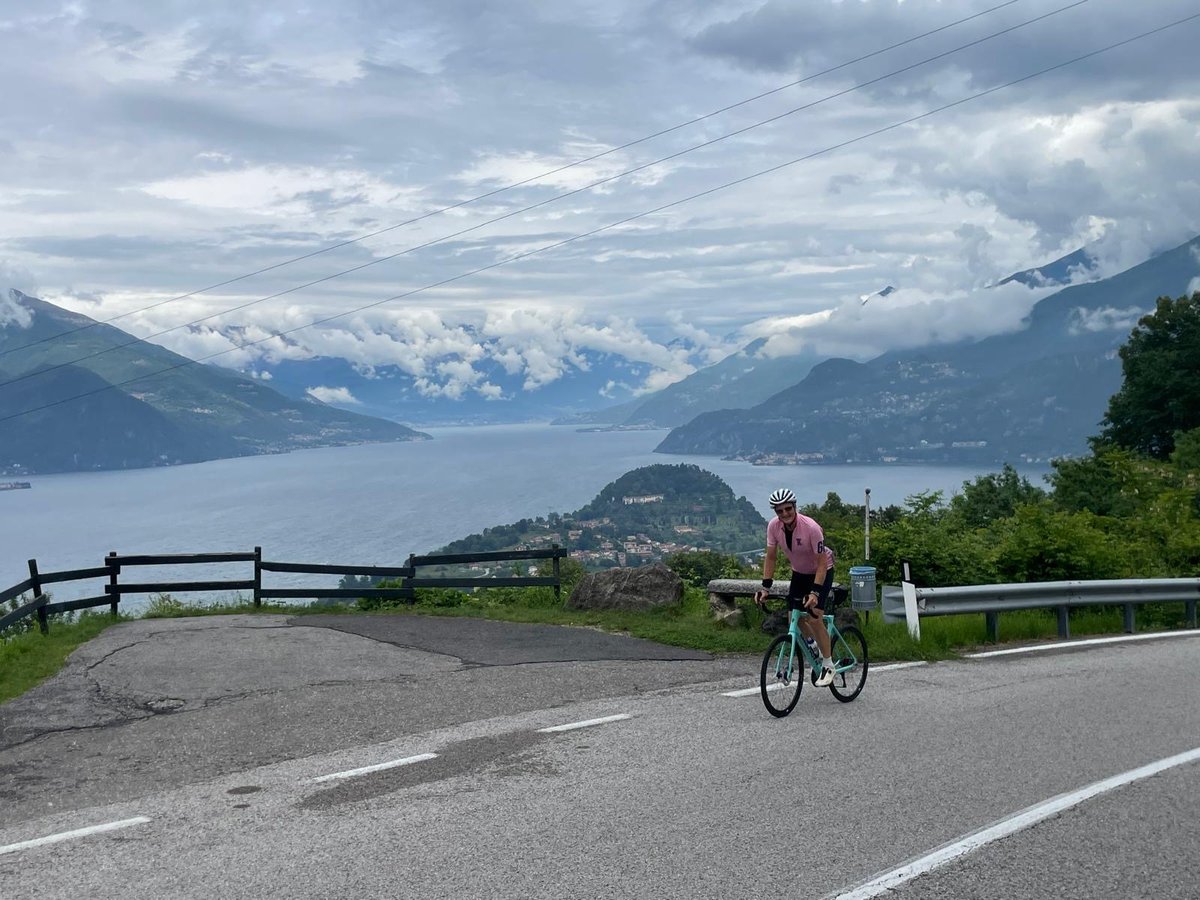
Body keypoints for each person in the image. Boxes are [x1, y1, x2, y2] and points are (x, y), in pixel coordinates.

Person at [754, 488, 837, 686]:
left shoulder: (811, 528)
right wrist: (765, 587)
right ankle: (812, 644)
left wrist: (815, 592)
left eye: (788, 509)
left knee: (814, 616)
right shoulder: (774, 527)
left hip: (821, 571)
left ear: (795, 507)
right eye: (779, 511)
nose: (784, 514)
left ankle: (828, 665)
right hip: (799, 573)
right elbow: (771, 557)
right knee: (794, 617)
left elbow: (821, 563)